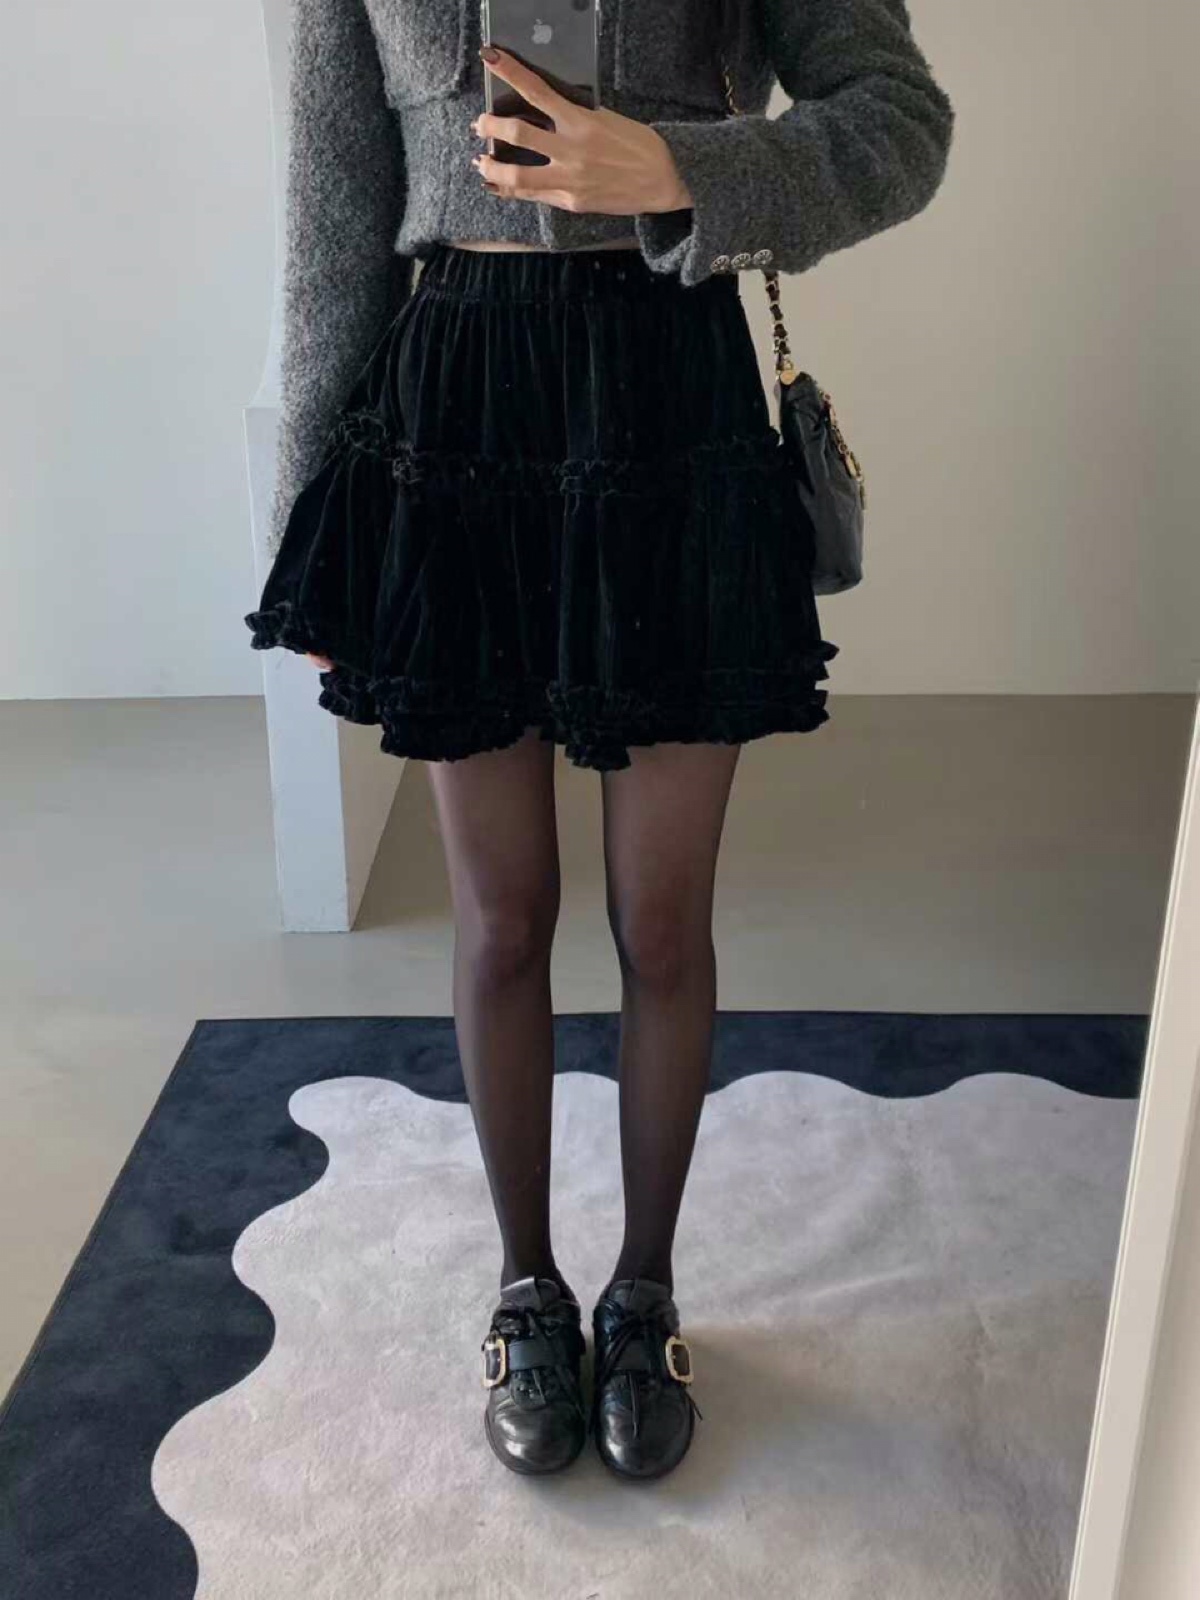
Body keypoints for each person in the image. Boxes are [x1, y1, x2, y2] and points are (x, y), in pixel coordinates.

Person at [245, 0, 954, 1481]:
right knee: (502, 918)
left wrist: (686, 170)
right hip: (453, 420)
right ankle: (526, 1290)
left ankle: (645, 1293)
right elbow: (329, 220)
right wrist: (306, 523)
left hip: (671, 404)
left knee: (665, 921)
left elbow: (899, 123)